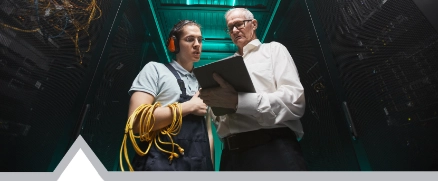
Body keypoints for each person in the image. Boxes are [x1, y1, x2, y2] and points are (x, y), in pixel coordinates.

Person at [200, 8, 307, 171]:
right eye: (230, 28)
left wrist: (239, 101)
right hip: (230, 156)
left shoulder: (273, 50)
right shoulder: (225, 66)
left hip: (272, 149)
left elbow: (295, 100)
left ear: (254, 24)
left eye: (238, 24)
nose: (234, 31)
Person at [124, 20, 214, 171]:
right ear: (174, 44)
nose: (197, 44)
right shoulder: (155, 70)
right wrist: (188, 107)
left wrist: (210, 166)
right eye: (190, 39)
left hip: (198, 165)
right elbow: (136, 123)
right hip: (160, 163)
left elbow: (208, 132)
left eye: (200, 39)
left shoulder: (203, 81)